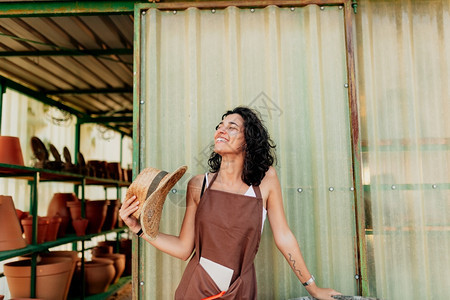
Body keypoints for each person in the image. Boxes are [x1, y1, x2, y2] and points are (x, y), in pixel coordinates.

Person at [120, 106, 341, 300]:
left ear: (249, 140)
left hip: (241, 291)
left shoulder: (266, 181)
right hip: (196, 291)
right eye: (220, 125)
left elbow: (283, 237)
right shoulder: (198, 185)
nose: (221, 130)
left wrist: (313, 289)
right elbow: (184, 249)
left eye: (232, 127)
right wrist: (139, 229)